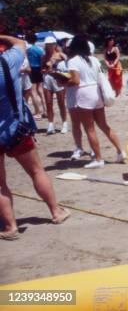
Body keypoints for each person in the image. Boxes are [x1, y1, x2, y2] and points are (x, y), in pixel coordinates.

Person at [0, 34, 70, 240]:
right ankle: (56, 212)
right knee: (37, 171)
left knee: (0, 183)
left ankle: (10, 227)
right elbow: (20, 43)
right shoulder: (7, 61)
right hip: (15, 130)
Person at [64, 36, 125, 169]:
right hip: (96, 92)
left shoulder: (73, 61)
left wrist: (62, 81)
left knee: (90, 129)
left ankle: (98, 159)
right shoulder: (94, 59)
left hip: (84, 93)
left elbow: (75, 81)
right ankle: (120, 151)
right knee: (104, 125)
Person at [41, 37, 68, 134]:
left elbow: (67, 61)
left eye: (51, 44)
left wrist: (56, 59)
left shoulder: (59, 54)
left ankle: (64, 123)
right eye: (47, 45)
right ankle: (50, 124)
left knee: (61, 102)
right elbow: (42, 69)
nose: (49, 46)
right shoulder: (44, 57)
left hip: (58, 78)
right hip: (47, 79)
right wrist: (45, 68)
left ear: (54, 45)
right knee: (48, 102)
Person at [25, 33, 45, 119]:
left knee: (33, 92)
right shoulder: (39, 49)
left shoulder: (27, 49)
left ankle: (38, 112)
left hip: (31, 69)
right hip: (39, 69)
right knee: (40, 90)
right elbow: (42, 59)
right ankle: (45, 110)